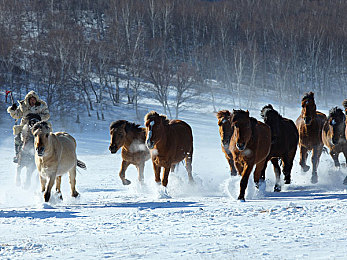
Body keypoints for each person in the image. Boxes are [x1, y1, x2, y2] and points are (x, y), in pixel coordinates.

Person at [7, 90, 50, 163]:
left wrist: (38, 117)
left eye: (34, 99)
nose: (32, 101)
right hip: (25, 125)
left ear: (36, 100)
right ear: (28, 100)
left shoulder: (42, 105)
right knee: (17, 138)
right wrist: (13, 110)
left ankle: (47, 154)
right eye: (31, 99)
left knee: (46, 137)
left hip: (38, 126)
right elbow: (17, 115)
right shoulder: (23, 106)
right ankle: (18, 155)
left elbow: (47, 115)